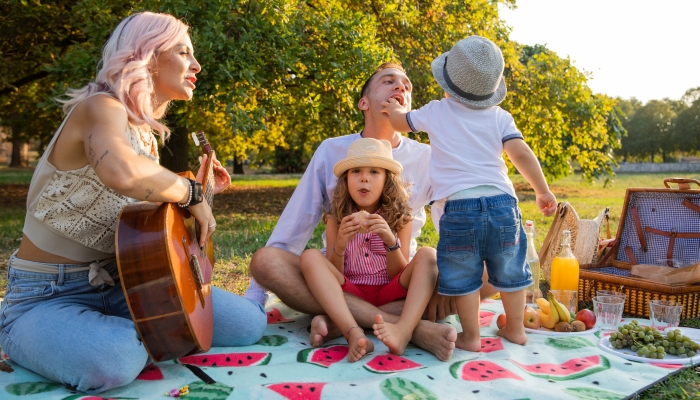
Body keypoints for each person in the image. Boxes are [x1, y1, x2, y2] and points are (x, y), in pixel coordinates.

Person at [0, 12, 266, 394]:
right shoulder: (100, 107)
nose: (197, 65)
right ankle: (17, 331)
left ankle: (108, 334)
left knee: (247, 325)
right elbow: (122, 173)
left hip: (129, 285)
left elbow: (141, 221)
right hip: (47, 296)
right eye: (183, 52)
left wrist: (201, 193)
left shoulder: (146, 138)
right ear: (148, 55)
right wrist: (189, 192)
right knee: (117, 358)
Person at [248, 62, 497, 362]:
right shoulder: (331, 150)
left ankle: (341, 320)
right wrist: (254, 301)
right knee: (265, 261)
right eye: (388, 81)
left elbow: (452, 216)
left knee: (493, 268)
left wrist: (454, 277)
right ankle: (411, 327)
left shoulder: (428, 156)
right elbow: (295, 223)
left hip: (402, 281)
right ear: (363, 102)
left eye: (406, 86)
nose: (400, 87)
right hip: (338, 278)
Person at [382, 35, 557, 351]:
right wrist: (542, 190)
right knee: (509, 267)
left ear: (447, 83)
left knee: (464, 272)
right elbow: (521, 153)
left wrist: (393, 108)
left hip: (460, 206)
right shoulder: (500, 117)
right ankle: (516, 329)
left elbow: (400, 123)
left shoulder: (436, 111)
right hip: (504, 203)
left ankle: (472, 336)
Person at [300, 138, 438, 361]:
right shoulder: (337, 219)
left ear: (387, 181)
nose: (364, 177)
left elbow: (399, 274)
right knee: (310, 257)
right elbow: (337, 275)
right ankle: (353, 332)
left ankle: (399, 330)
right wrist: (340, 247)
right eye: (356, 171)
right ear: (346, 180)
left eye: (374, 171)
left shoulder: (401, 219)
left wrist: (389, 241)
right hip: (351, 290)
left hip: (389, 291)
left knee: (428, 255)